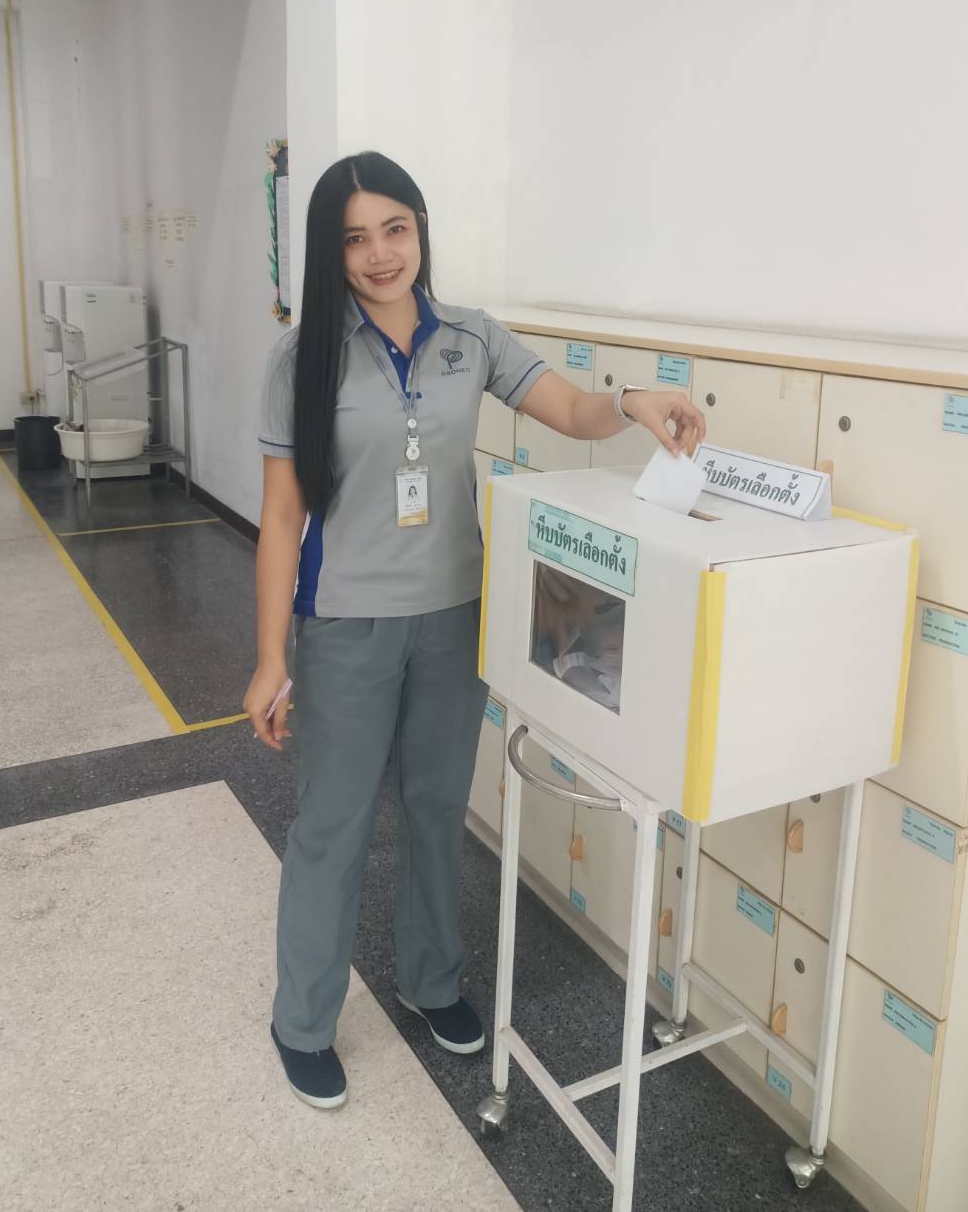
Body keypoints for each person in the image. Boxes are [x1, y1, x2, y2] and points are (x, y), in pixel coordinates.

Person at [244, 151, 705, 1110]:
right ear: (332, 251)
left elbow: (568, 408)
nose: (380, 253)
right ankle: (303, 1020)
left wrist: (633, 403)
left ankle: (431, 980)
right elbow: (283, 517)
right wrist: (269, 658)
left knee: (435, 806)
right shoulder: (303, 358)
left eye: (395, 228)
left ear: (421, 228)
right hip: (347, 621)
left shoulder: (470, 337)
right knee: (333, 823)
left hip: (456, 617)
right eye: (355, 238)